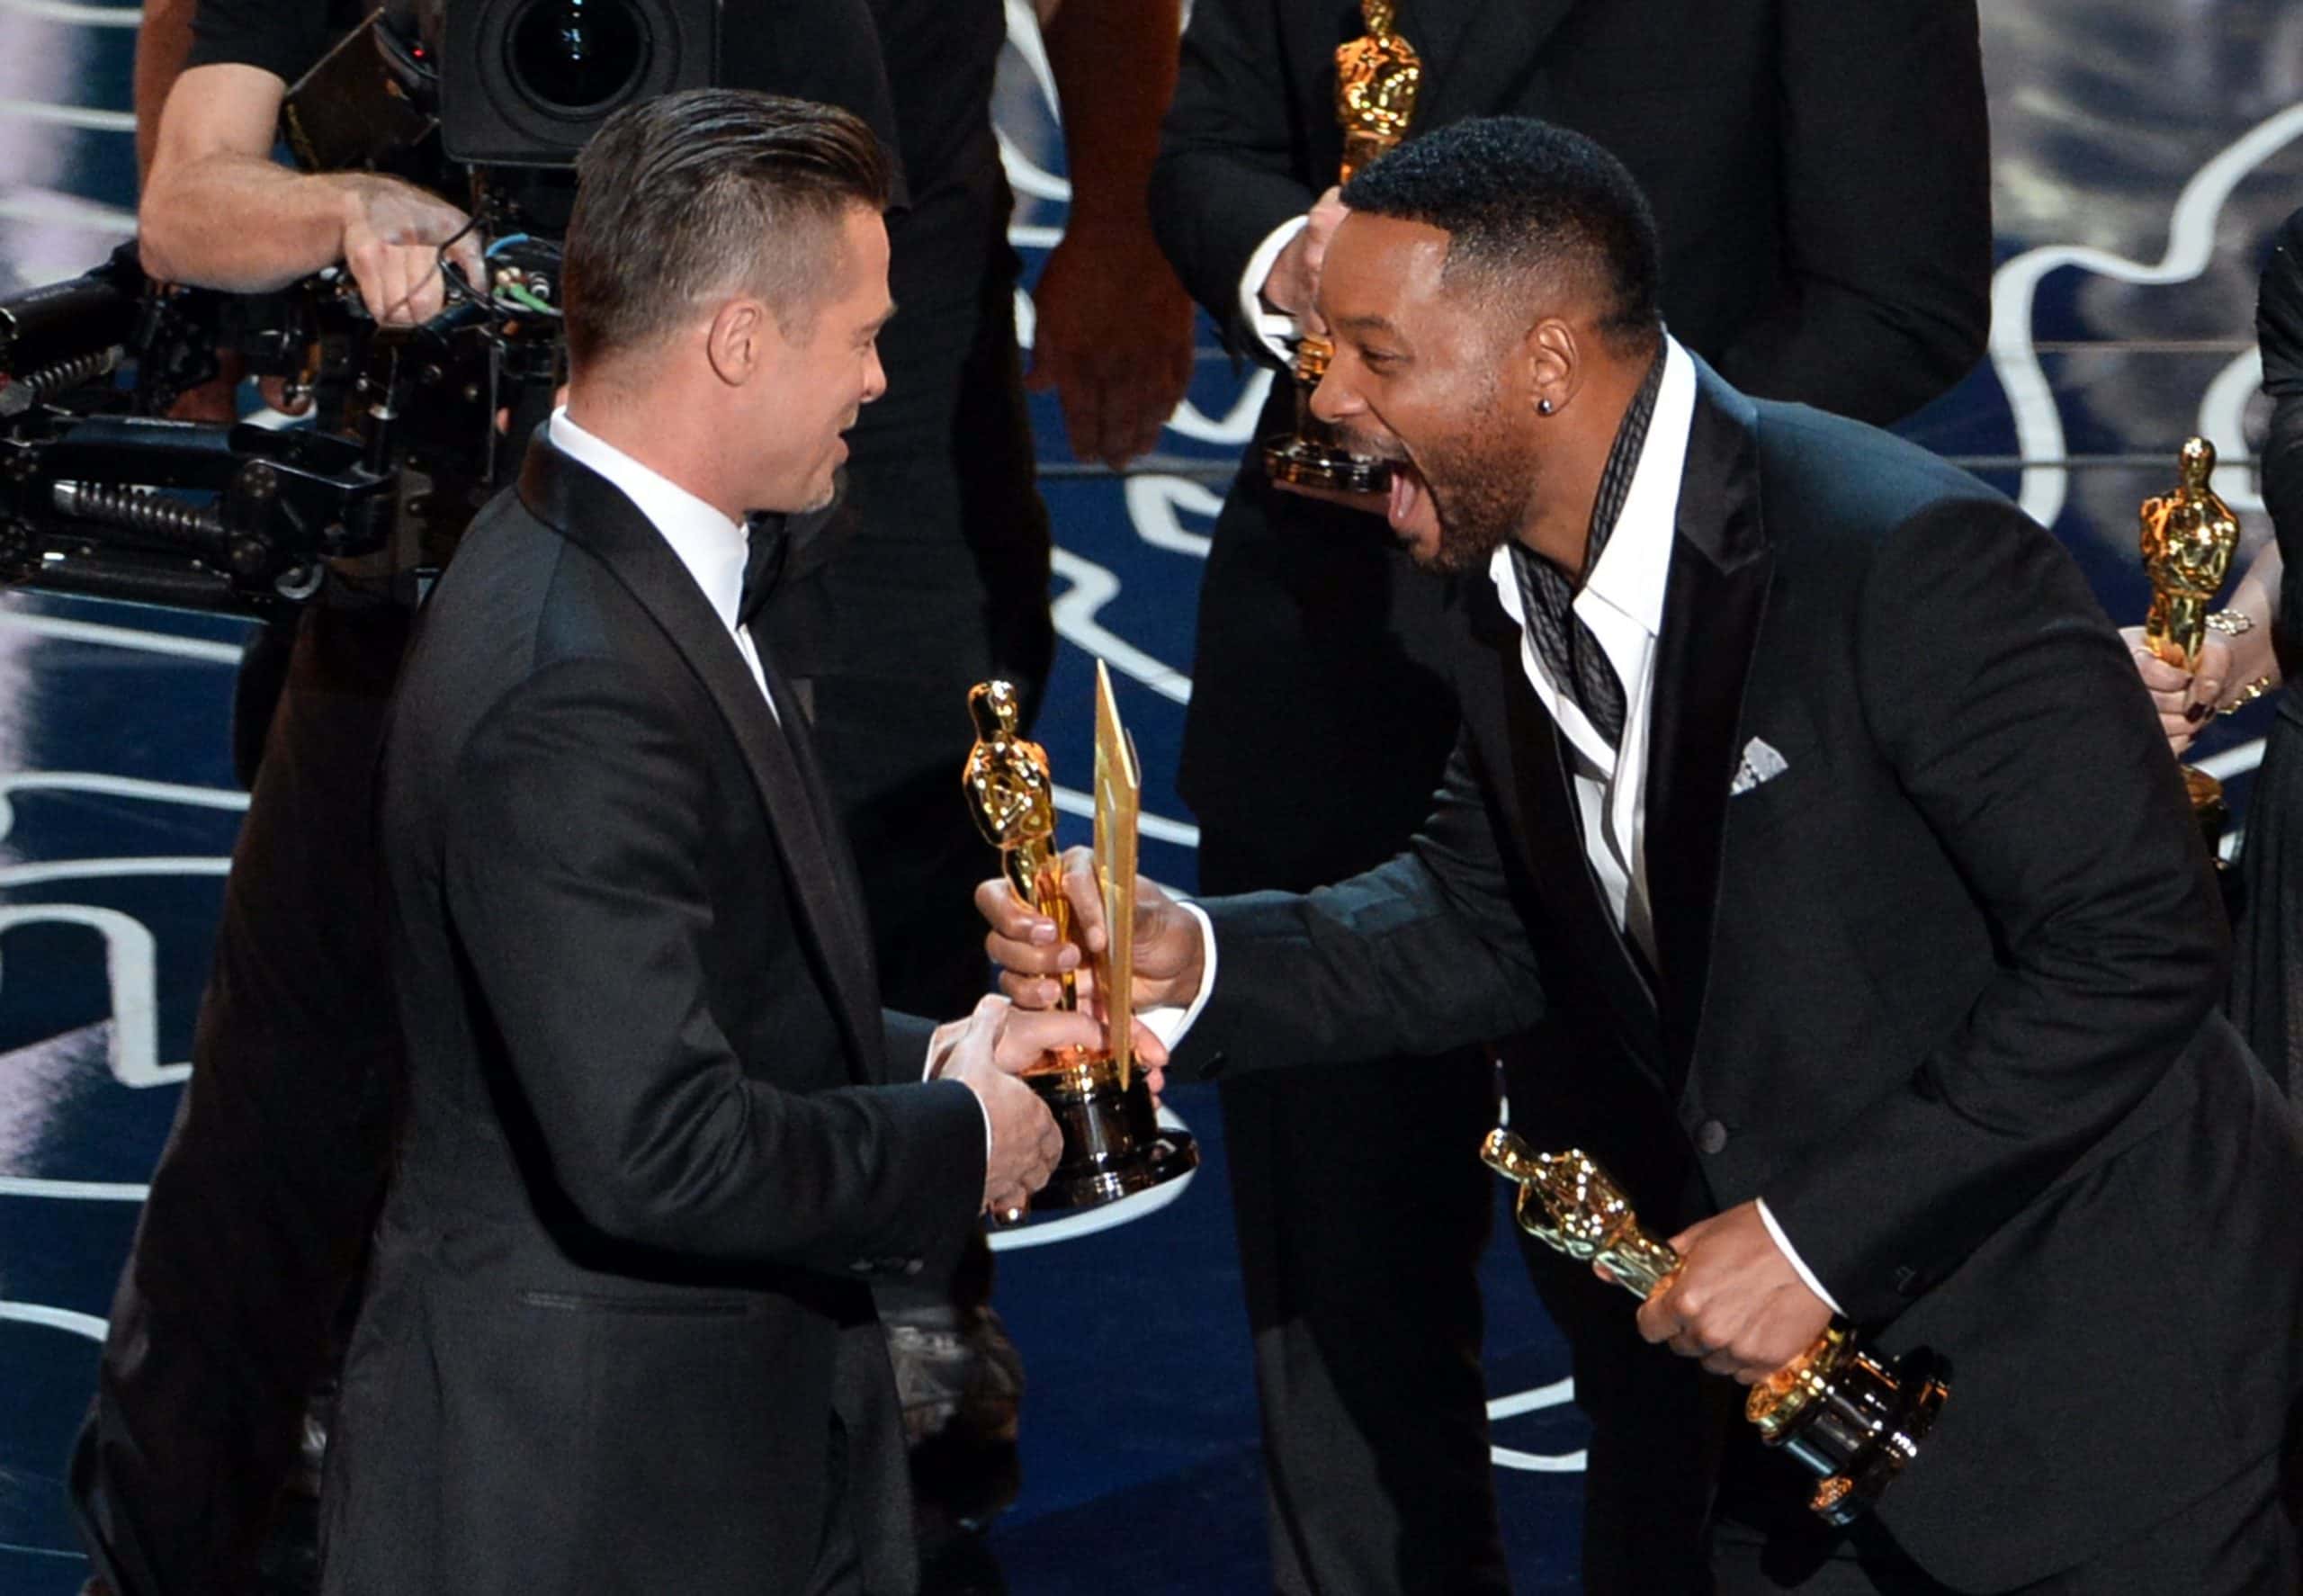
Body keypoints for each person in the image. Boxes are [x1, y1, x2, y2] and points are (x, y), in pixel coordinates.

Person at [986, 117, 2303, 1594]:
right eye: (1319, 346)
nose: (1323, 395)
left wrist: (1807, 1242)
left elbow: (2136, 944)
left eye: (1376, 353)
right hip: (1797, 1441)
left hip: (2109, 1418)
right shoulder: (1503, 584)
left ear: (1545, 362)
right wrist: (1201, 956)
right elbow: (1479, 916)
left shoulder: (1903, 557)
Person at [72, 2, 1190, 1587]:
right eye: (853, 348)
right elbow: (662, 1141)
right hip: (444, 450)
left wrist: (935, 1087)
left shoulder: (773, 388)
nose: (868, 381)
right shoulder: (558, 679)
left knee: (771, 889)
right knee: (309, 1047)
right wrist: (340, 207)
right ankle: (190, 1509)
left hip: (671, 477)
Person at [1147, 5, 1994, 1591]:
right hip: (1333, 655)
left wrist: (1597, 481)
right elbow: (1210, 155)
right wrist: (1294, 275)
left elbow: (1903, 291)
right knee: (1336, 1297)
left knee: (1671, 1310)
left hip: (1679, 671)